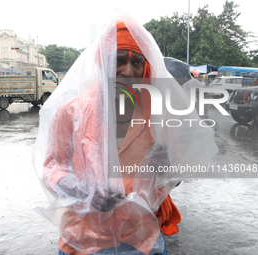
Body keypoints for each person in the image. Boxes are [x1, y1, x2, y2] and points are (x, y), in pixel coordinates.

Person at [33, 10, 218, 255]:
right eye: (119, 60)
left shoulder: (161, 115)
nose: (128, 71)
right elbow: (52, 168)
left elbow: (176, 176)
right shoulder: (71, 113)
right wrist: (86, 191)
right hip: (82, 240)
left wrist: (169, 167)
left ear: (146, 67)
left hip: (141, 240)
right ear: (102, 62)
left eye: (136, 62)